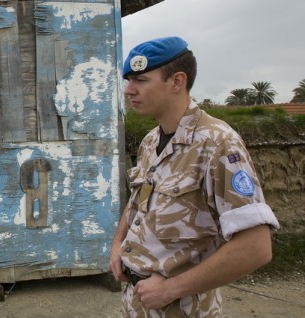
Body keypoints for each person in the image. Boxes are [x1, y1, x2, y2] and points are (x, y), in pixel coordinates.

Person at [109, 36, 280, 317]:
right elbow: (139, 200)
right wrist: (118, 244)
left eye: (140, 80)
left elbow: (256, 247)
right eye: (128, 80)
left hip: (184, 308)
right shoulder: (151, 142)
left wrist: (171, 289)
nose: (128, 90)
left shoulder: (218, 143)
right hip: (137, 301)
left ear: (177, 81)